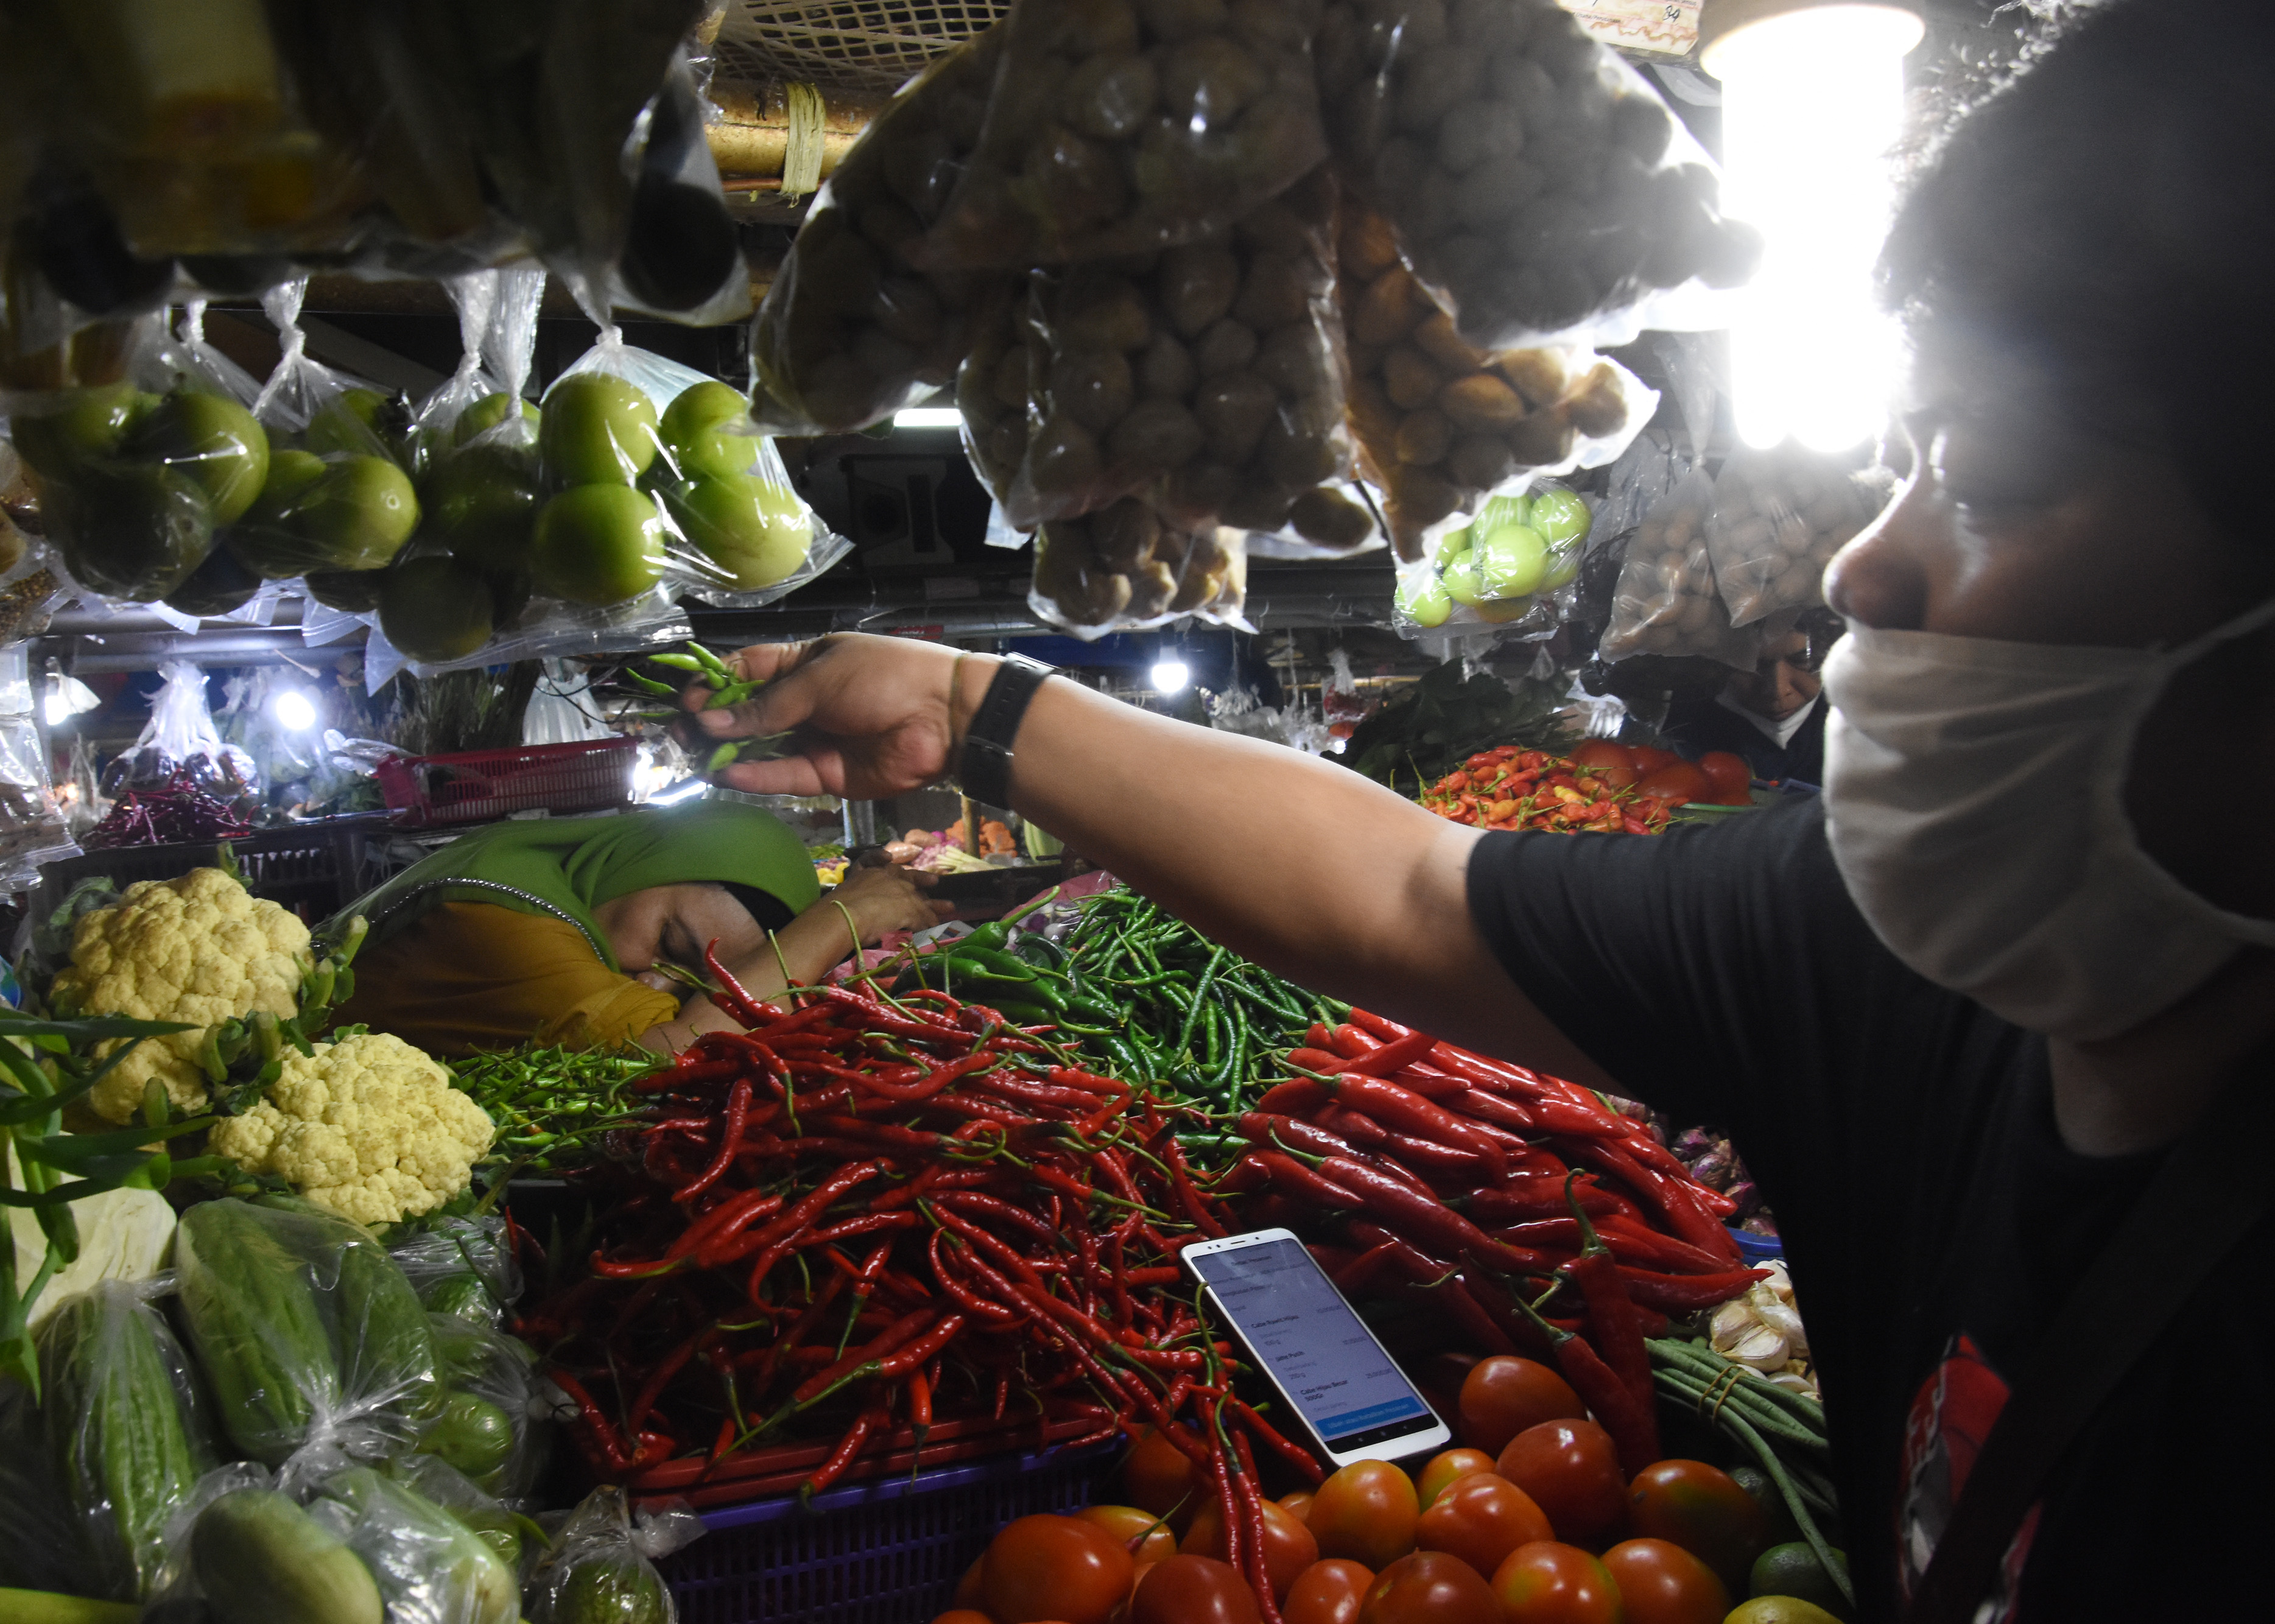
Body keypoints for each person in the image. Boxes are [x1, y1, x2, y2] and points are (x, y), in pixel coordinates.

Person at [689, 5, 2275, 1613]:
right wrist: (965, 707)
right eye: (1901, 466)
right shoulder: (1887, 964)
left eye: (1991, 478)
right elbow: (1407, 892)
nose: (1864, 565)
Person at [333, 802, 946, 1055]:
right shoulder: (502, 925)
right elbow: (678, 1054)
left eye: (695, 984)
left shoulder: (544, 875)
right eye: (670, 944)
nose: (655, 982)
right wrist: (845, 918)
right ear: (647, 864)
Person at [1661, 616, 1835, 784]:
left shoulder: (1848, 709)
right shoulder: (1677, 713)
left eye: (1803, 661)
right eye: (1750, 666)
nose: (1778, 691)